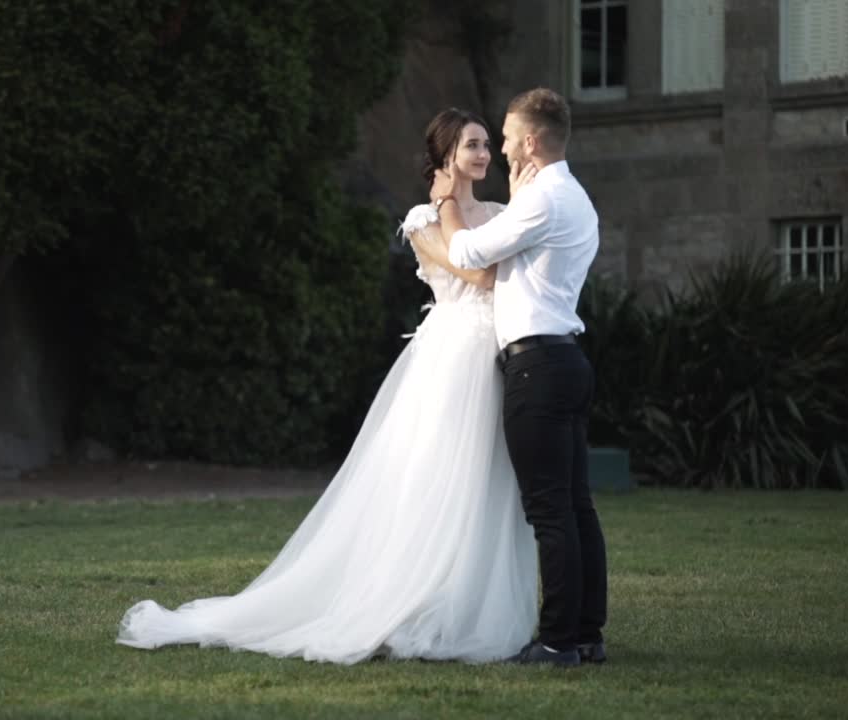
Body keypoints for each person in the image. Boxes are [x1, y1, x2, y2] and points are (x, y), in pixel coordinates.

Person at [116, 108, 539, 665]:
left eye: (487, 144)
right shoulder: (422, 220)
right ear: (444, 157)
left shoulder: (503, 213)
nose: (483, 155)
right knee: (431, 481)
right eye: (471, 146)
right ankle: (405, 603)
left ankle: (469, 604)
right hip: (448, 364)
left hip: (495, 359)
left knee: (491, 484)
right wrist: (449, 209)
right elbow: (478, 275)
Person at [429, 87, 607, 667]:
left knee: (550, 511)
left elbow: (473, 251)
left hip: (537, 367)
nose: (501, 147)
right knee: (576, 506)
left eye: (505, 137)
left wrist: (447, 203)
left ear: (530, 141)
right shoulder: (572, 195)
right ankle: (586, 635)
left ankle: (556, 641)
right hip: (567, 360)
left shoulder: (543, 199)